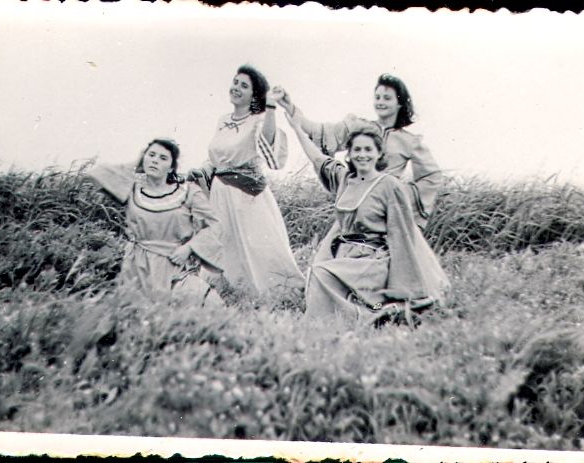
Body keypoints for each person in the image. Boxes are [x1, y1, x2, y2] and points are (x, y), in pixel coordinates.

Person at [284, 111, 449, 326]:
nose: (363, 155)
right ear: (349, 154)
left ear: (379, 153)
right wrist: (297, 128)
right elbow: (317, 159)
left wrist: (403, 285)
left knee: (323, 273)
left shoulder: (389, 185)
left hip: (372, 261)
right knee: (318, 276)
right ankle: (343, 319)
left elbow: (401, 233)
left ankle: (366, 316)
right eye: (357, 150)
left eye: (368, 149)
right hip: (344, 256)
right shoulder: (345, 179)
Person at [188, 65, 304, 294]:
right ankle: (228, 290)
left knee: (257, 245)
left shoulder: (258, 120)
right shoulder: (223, 120)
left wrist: (270, 107)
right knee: (225, 244)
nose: (236, 88)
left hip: (246, 196)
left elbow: (269, 149)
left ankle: (278, 291)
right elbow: (218, 157)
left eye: (244, 86)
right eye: (235, 82)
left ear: (254, 94)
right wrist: (202, 170)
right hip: (221, 194)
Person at [276, 73, 443, 230]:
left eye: (387, 98)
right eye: (377, 97)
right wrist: (290, 107)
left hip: (387, 208)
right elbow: (320, 132)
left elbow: (432, 177)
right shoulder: (359, 127)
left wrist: (403, 194)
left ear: (399, 103)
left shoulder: (409, 141)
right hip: (355, 199)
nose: (380, 102)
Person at [87, 138, 223, 307]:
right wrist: (137, 163)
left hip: (173, 262)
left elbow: (214, 225)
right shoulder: (132, 190)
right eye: (151, 155)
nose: (155, 161)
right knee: (138, 311)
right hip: (137, 265)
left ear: (172, 167)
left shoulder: (188, 192)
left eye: (163, 158)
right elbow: (96, 173)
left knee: (204, 305)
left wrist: (189, 248)